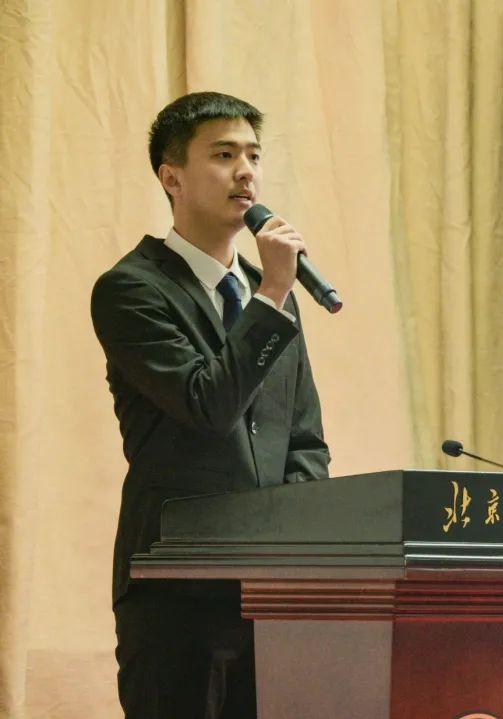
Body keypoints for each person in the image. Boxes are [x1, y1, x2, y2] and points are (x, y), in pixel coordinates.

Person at [90, 91, 331, 718]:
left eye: (253, 155)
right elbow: (207, 404)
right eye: (224, 156)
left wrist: (300, 557)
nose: (245, 172)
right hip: (175, 586)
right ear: (172, 178)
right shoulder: (132, 289)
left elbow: (303, 441)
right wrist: (273, 291)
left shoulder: (267, 295)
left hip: (270, 592)